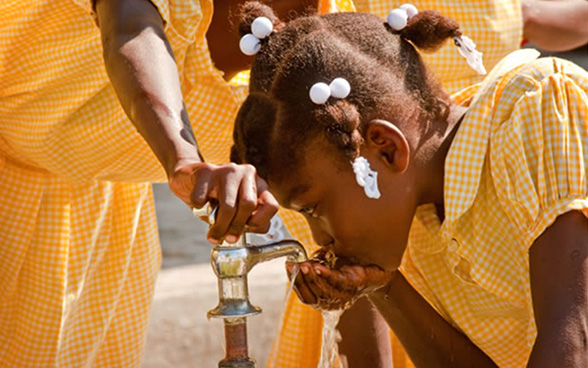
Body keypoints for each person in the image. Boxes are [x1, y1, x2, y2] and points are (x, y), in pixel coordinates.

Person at [231, 3, 588, 367]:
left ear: (386, 149)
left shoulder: (533, 112)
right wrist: (383, 286)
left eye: (313, 208)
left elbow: (572, 343)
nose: (319, 239)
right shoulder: (409, 217)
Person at [0, 0, 352, 366]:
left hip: (96, 214)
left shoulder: (330, 69)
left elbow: (349, 246)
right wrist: (184, 159)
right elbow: (130, 24)